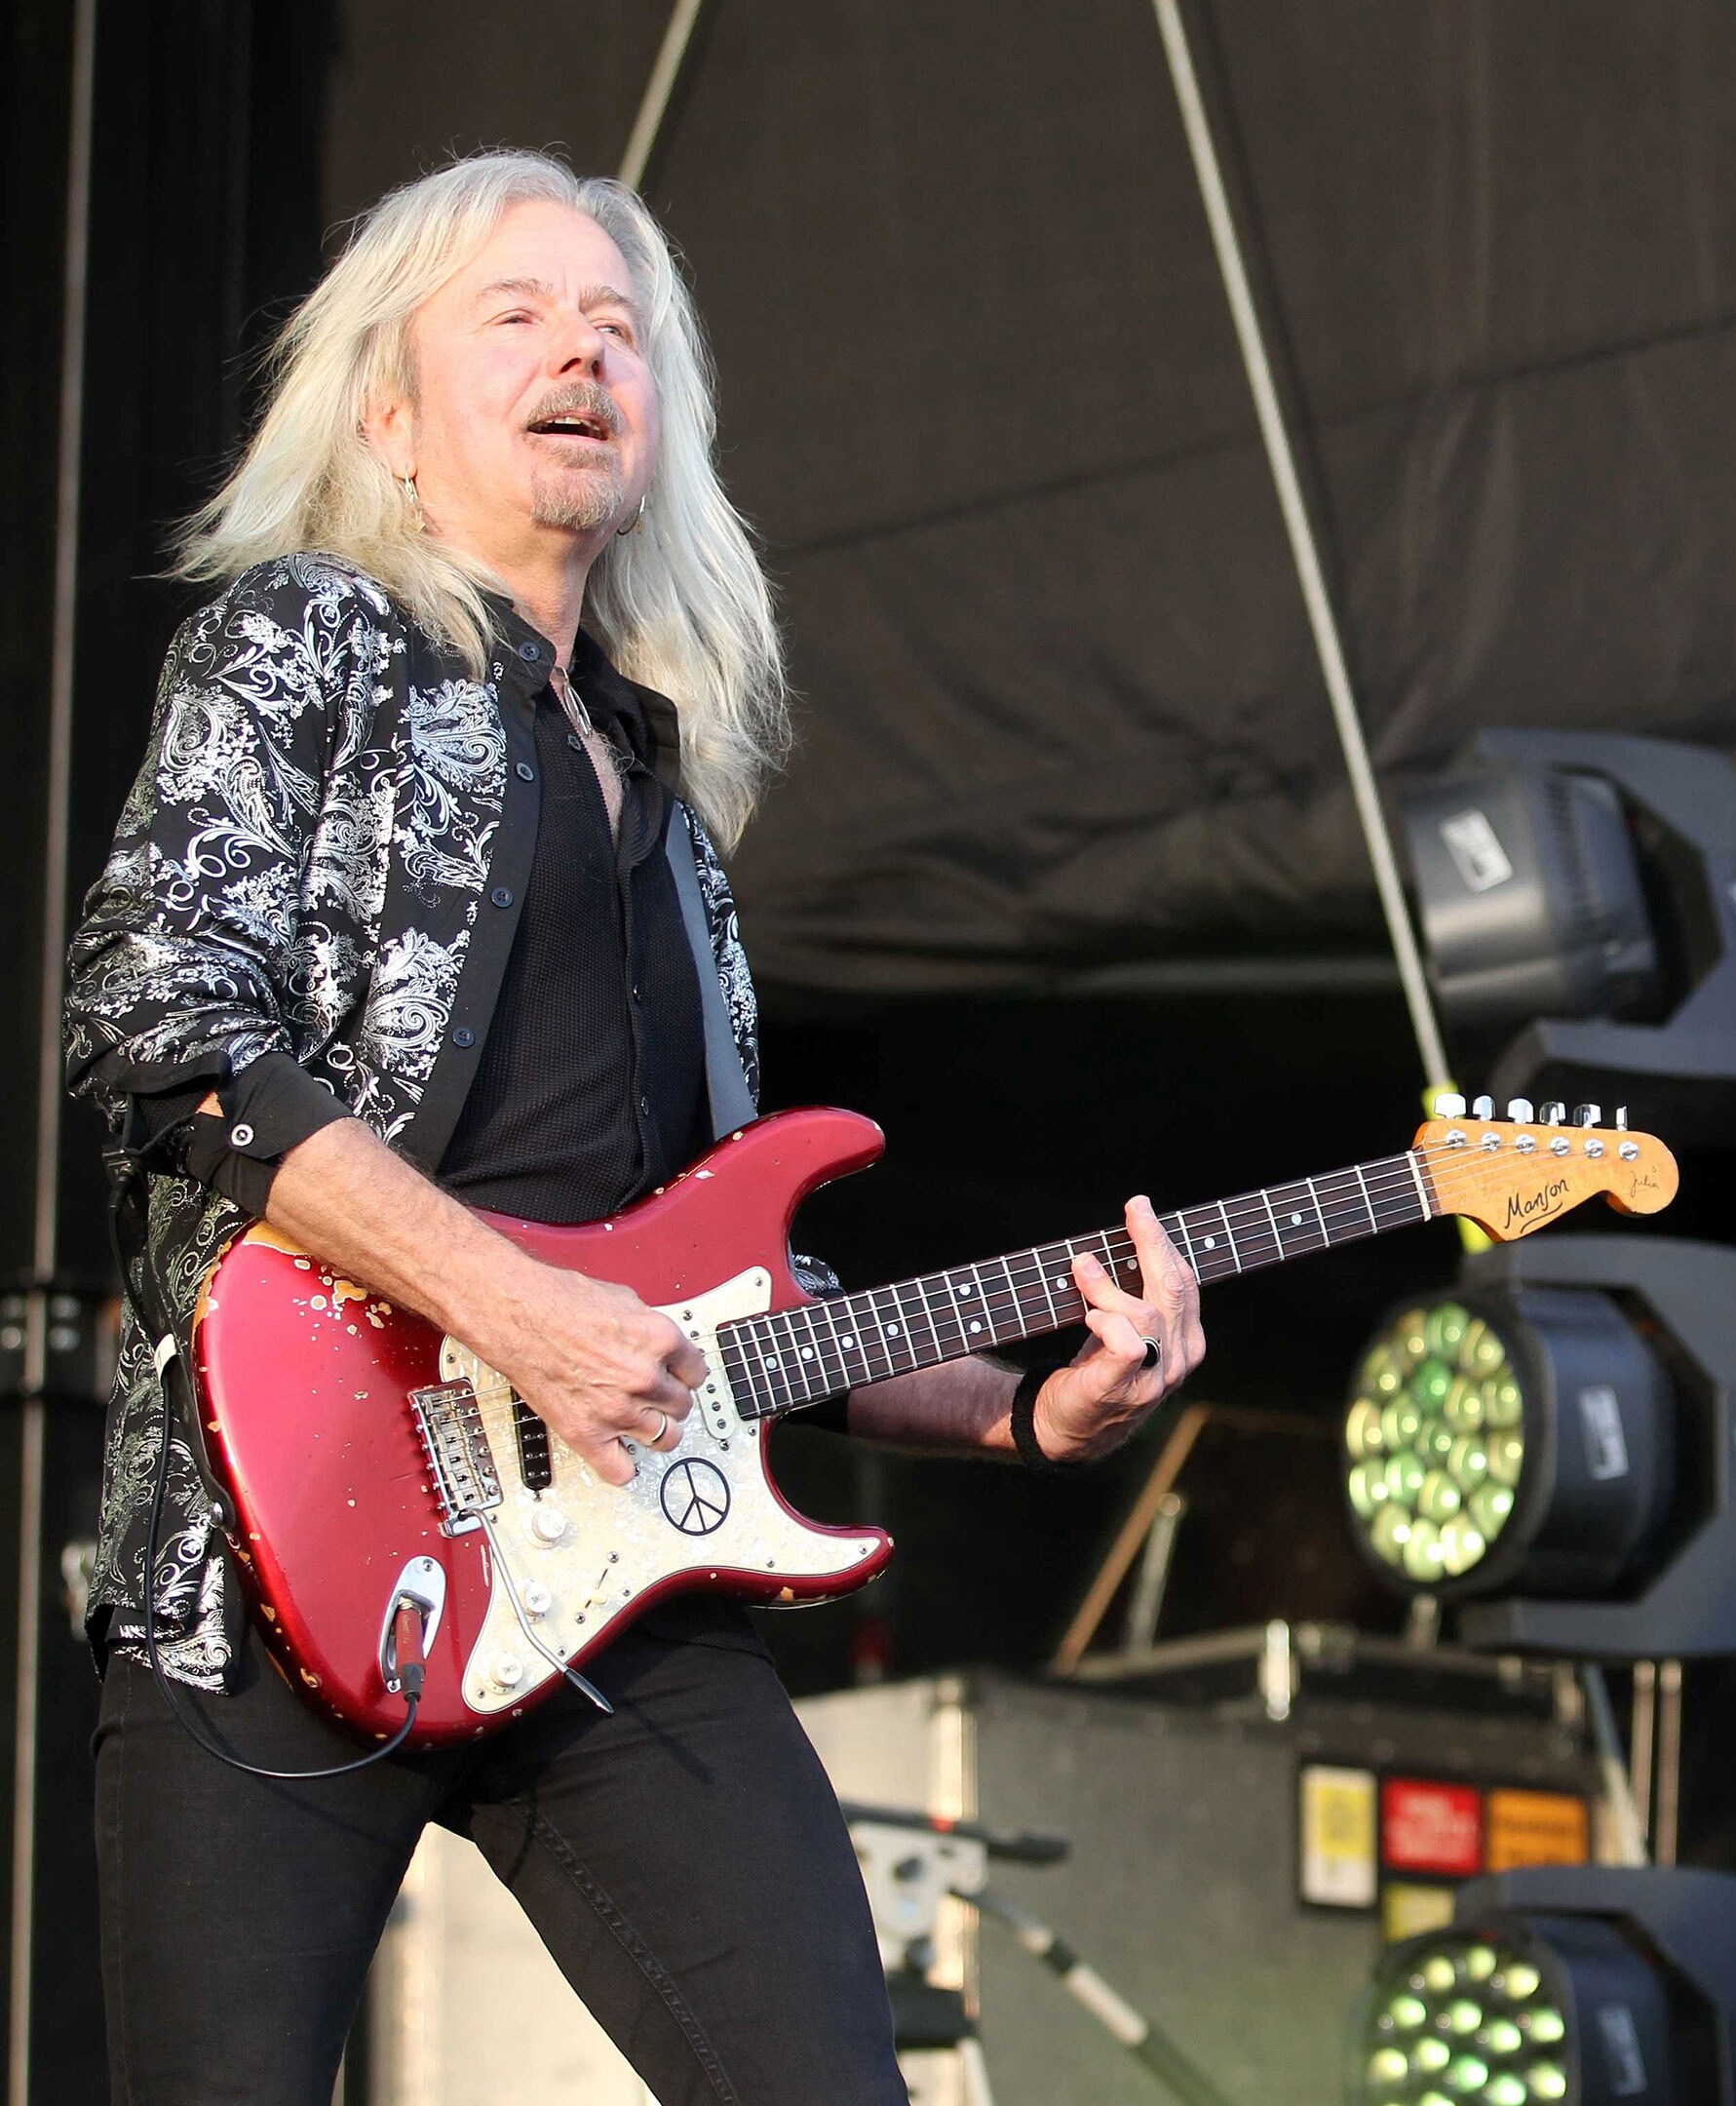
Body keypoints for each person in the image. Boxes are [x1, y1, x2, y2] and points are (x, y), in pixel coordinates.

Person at [62, 151, 1204, 2104]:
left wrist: (1027, 1408)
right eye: (514, 313)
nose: (580, 348)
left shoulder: (666, 787)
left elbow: (725, 1292)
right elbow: (154, 1027)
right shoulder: (306, 645)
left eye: (617, 324)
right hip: (278, 1544)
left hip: (609, 1583)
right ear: (389, 412)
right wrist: (510, 1310)